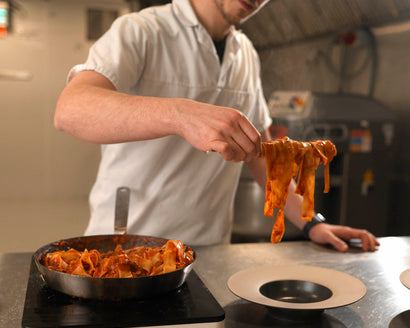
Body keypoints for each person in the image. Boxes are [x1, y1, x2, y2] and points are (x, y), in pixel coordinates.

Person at [54, 0, 379, 252]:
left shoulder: (246, 54)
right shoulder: (142, 30)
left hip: (206, 252)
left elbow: (262, 157)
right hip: (127, 246)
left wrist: (312, 223)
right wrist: (181, 115)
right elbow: (71, 109)